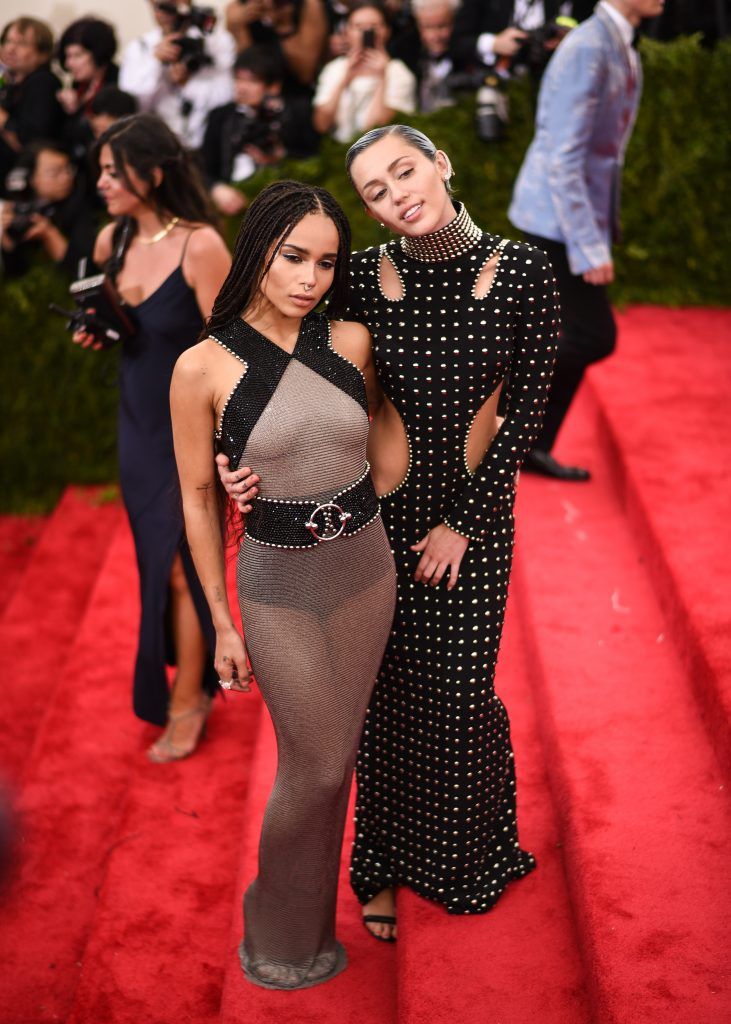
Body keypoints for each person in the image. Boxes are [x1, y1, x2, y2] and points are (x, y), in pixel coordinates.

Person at [219, 124, 558, 941]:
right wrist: (239, 452)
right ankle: (382, 865)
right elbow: (288, 354)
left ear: (439, 163)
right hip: (367, 523)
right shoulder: (363, 278)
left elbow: (523, 413)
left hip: (470, 526)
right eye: (375, 190)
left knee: (459, 693)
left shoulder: (523, 272)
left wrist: (462, 524)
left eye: (403, 171)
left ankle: (467, 855)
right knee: (377, 699)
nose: (395, 193)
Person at [170, 179, 397, 987]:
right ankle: (274, 928)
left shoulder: (353, 342)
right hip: (275, 581)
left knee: (332, 756)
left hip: (368, 567)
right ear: (258, 248)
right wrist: (223, 623)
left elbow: (374, 447)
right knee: (321, 763)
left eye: (326, 263)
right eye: (293, 256)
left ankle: (305, 927)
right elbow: (197, 497)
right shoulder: (200, 366)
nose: (309, 278)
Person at [73, 113, 231, 761]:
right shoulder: (112, 237)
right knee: (156, 563)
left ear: (154, 172)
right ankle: (186, 683)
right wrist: (96, 329)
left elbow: (231, 351)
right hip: (137, 424)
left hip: (189, 430)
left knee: (180, 565)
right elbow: (125, 330)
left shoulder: (202, 246)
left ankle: (190, 698)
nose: (103, 182)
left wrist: (229, 446)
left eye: (114, 170)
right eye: (101, 171)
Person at [509, 0, 660, 480]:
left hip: (563, 215)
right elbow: (563, 156)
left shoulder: (617, 44)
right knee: (593, 335)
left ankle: (524, 442)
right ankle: (502, 421)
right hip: (554, 218)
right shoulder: (590, 46)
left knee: (577, 335)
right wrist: (588, 245)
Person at [202, 46, 319, 216]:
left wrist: (281, 157)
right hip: (234, 205)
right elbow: (204, 168)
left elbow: (314, 161)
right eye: (238, 79)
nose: (242, 88)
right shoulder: (220, 117)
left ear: (274, 87)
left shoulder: (294, 114)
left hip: (287, 205)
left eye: (251, 81)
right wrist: (217, 189)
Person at [119, 1, 235, 151]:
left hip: (207, 145)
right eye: (156, 7)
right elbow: (131, 103)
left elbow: (227, 98)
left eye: (169, 5)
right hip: (159, 146)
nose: (161, 13)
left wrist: (187, 84)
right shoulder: (141, 47)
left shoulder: (216, 42)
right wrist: (155, 63)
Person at [313, 2, 417, 143]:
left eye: (374, 27)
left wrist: (382, 77)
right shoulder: (334, 69)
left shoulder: (398, 72)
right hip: (338, 152)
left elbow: (377, 128)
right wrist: (345, 79)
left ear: (386, 31)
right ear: (346, 31)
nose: (366, 33)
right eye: (358, 27)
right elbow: (321, 124)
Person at [1, 140, 97, 278]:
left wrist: (49, 234)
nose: (66, 177)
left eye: (68, 169)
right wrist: (5, 239)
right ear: (31, 178)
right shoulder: (18, 209)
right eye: (55, 172)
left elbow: (84, 270)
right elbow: (15, 276)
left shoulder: (78, 206)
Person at [0, 18, 65, 192]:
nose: (10, 49)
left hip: (25, 183)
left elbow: (31, 142)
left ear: (43, 53)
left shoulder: (42, 82)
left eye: (22, 44)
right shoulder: (10, 83)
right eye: (7, 41)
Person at [224, 0, 329, 91]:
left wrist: (283, 27)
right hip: (257, 90)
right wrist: (241, 28)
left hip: (294, 93)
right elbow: (244, 66)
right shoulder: (239, 7)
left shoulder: (307, 5)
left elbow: (305, 74)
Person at [56, 17, 119, 162]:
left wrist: (76, 110)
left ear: (98, 53)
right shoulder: (78, 86)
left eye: (77, 55)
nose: (69, 63)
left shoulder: (116, 84)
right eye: (67, 56)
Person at [391, 0, 460, 112]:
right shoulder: (403, 52)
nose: (435, 36)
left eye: (442, 26)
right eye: (427, 27)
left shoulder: (470, 54)